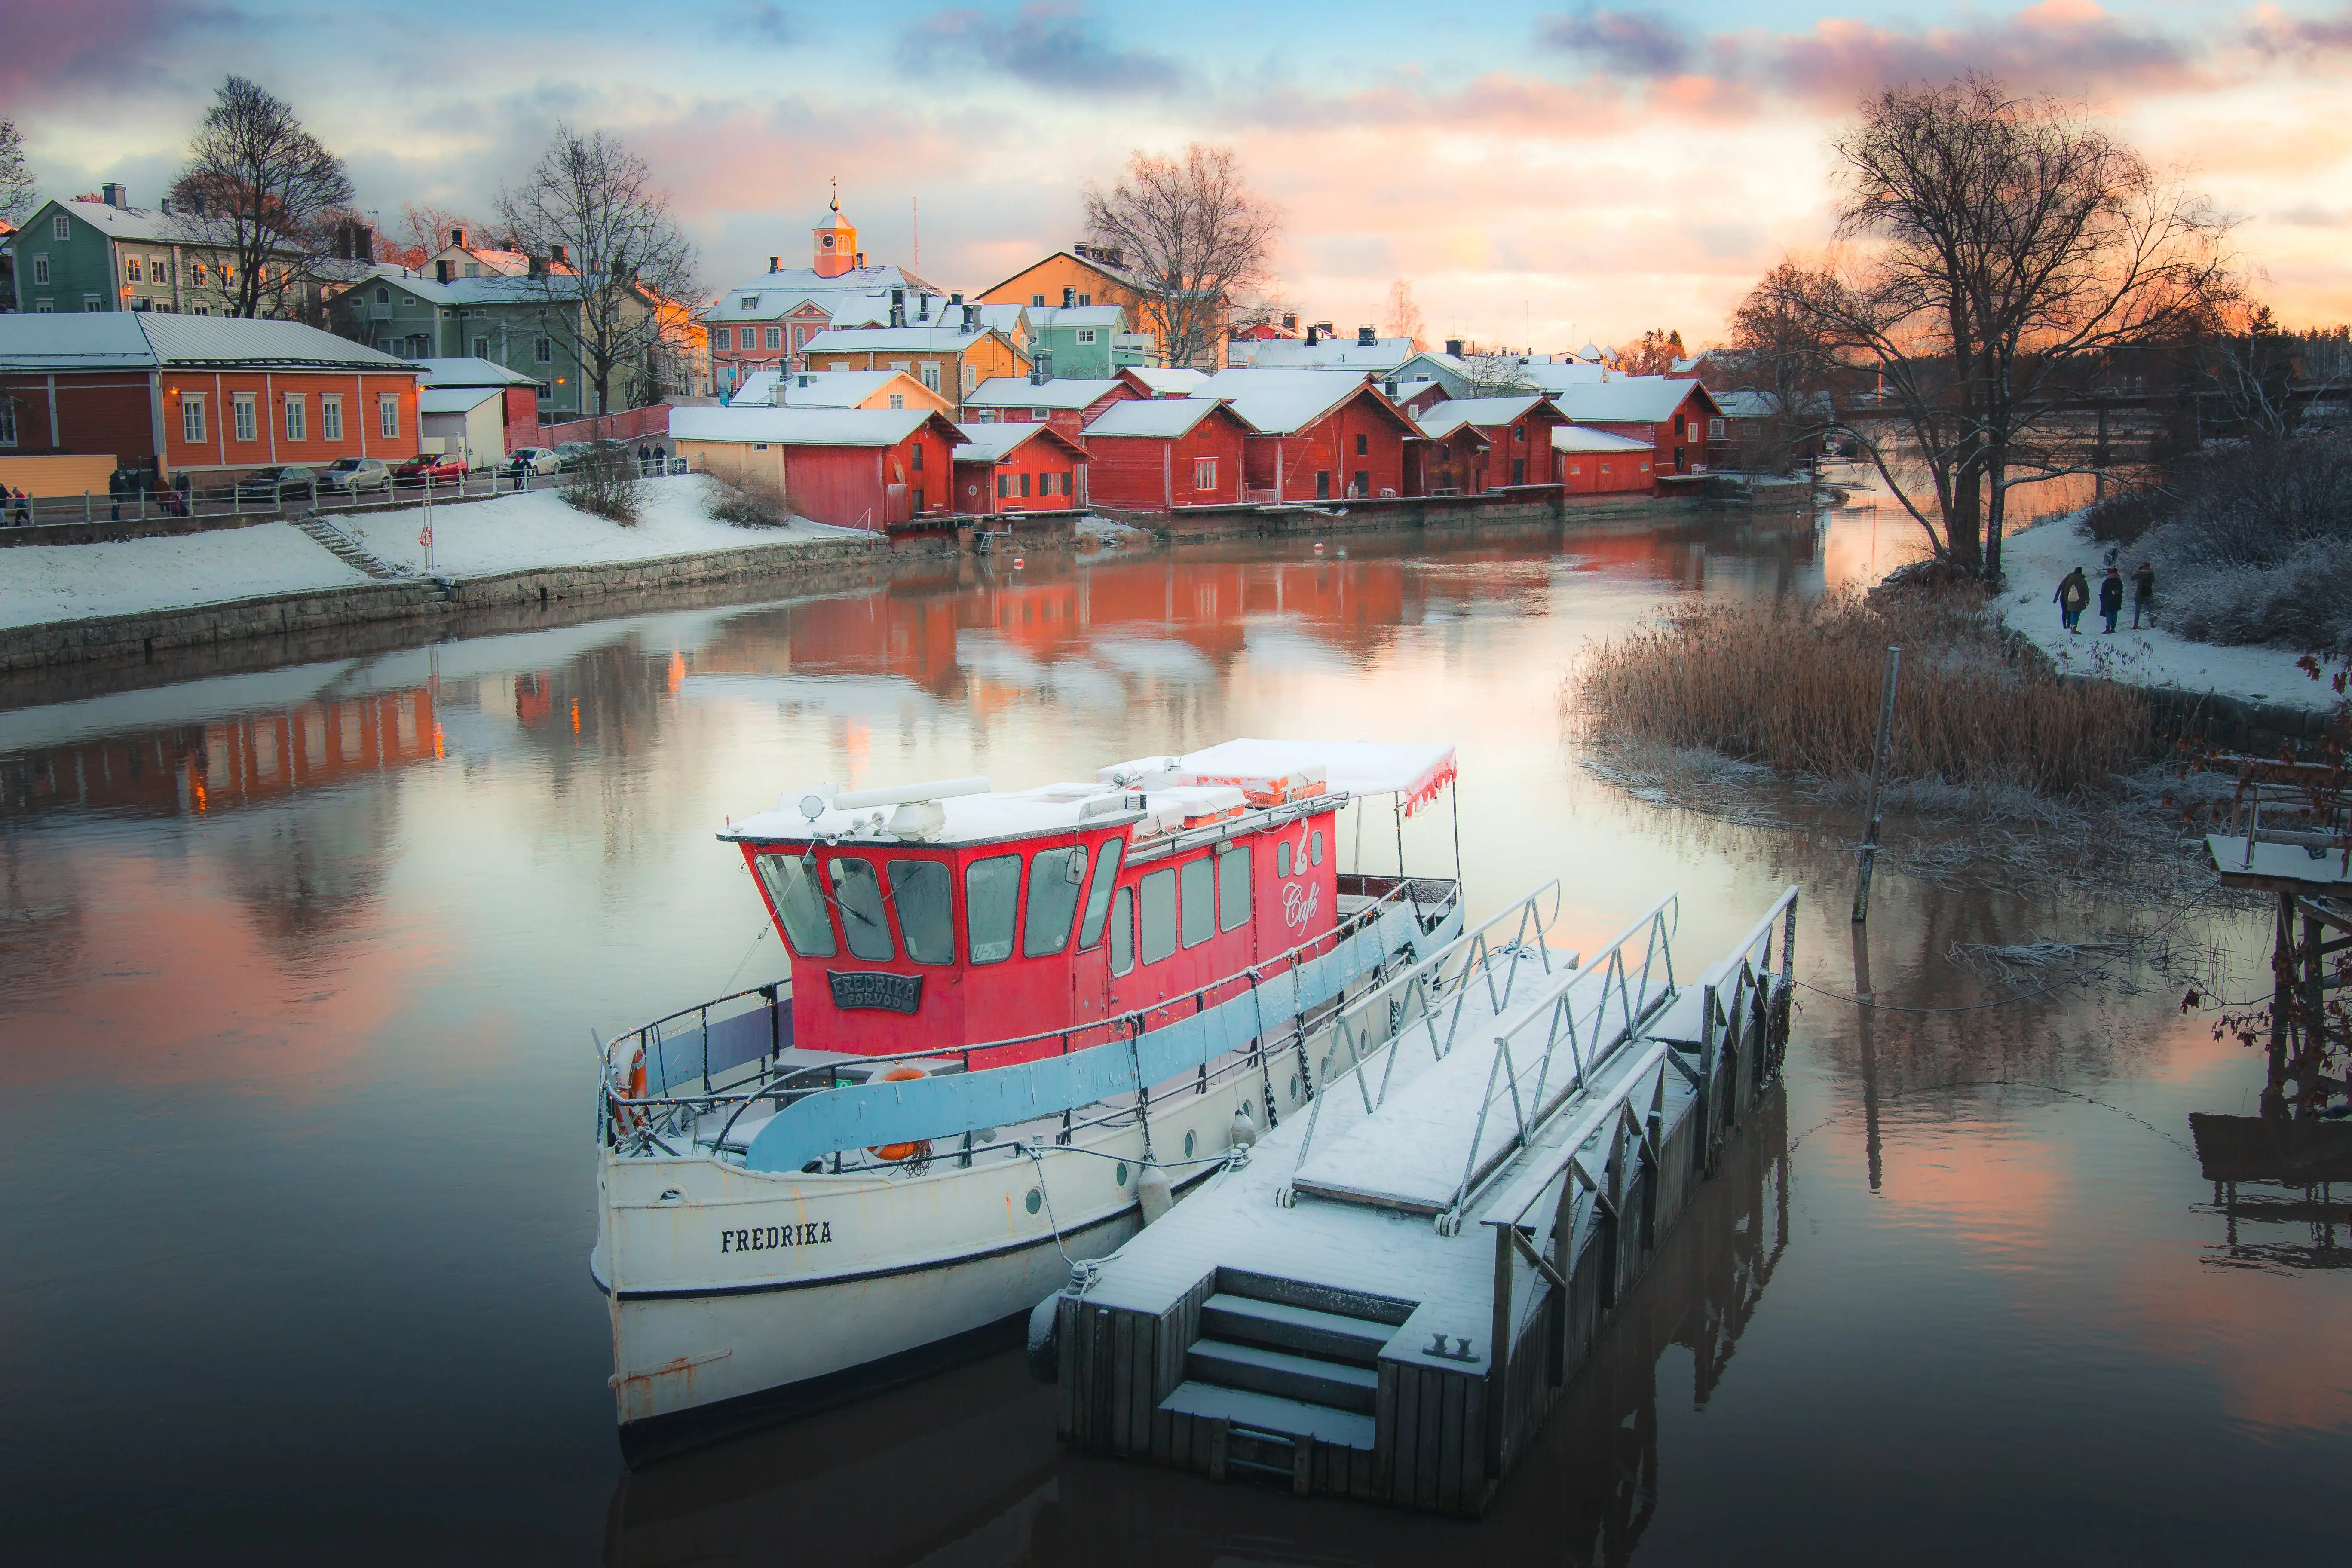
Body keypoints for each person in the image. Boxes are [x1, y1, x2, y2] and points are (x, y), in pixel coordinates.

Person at [2055, 566, 2090, 633]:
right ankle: (2074, 627)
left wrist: (2066, 599)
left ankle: (2071, 627)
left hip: (2071, 599)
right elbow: (2086, 591)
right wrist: (2088, 599)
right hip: (2080, 600)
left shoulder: (2070, 580)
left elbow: (2066, 590)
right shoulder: (2083, 581)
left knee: (2072, 613)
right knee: (2077, 613)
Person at [2098, 564, 2125, 634]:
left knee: (2109, 614)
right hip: (2117, 600)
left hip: (2108, 600)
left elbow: (2102, 591)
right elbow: (2121, 591)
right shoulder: (2119, 582)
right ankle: (2113, 628)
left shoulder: (2107, 582)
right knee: (2115, 614)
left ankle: (2108, 628)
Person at [2132, 560, 2155, 628]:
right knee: (2150, 609)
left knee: (2137, 610)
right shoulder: (2151, 573)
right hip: (2149, 593)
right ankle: (2152, 624)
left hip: (2139, 593)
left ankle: (2136, 625)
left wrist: (2138, 570)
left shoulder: (2139, 573)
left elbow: (2132, 578)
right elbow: (2153, 580)